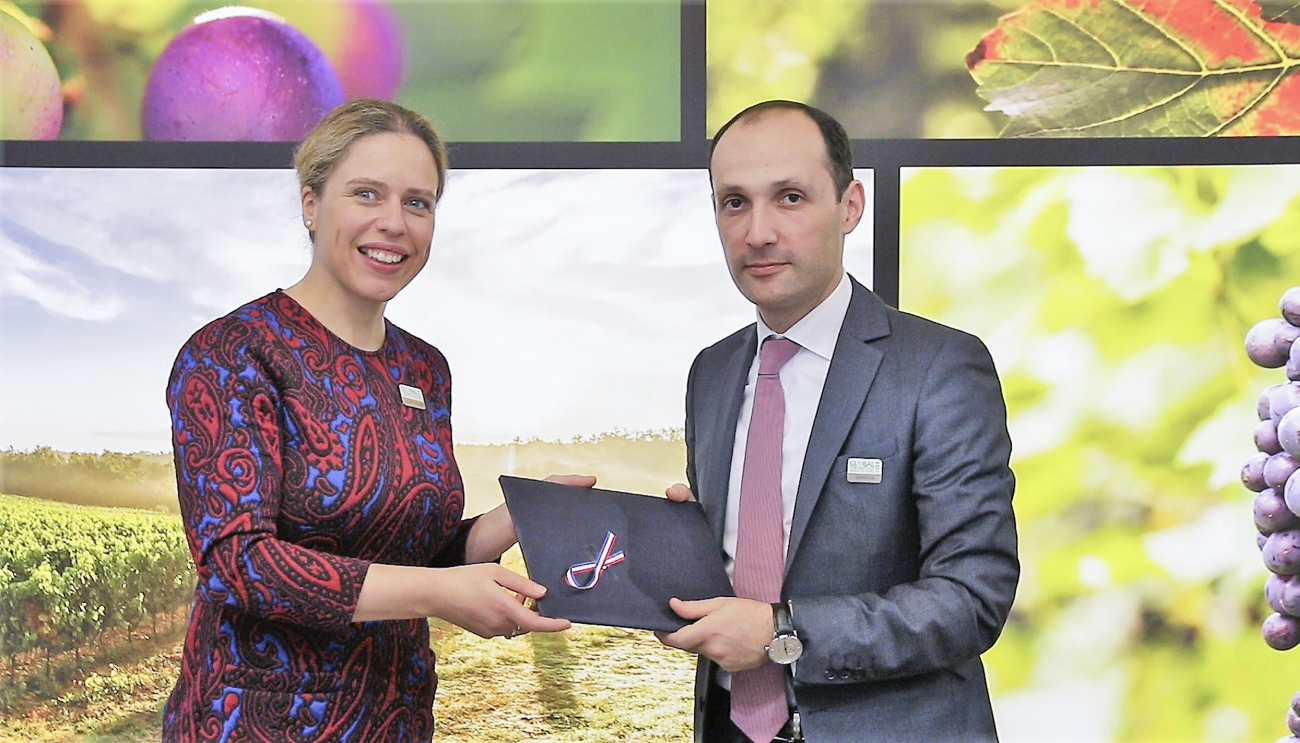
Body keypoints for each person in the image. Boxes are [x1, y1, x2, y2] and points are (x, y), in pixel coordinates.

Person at [162, 98, 585, 742]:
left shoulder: (424, 368)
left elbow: (414, 555)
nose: (394, 222)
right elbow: (237, 563)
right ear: (310, 204)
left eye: (418, 203)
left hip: (394, 717)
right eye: (367, 194)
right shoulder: (233, 351)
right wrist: (440, 596)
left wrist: (517, 517)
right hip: (258, 723)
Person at [657, 100, 1019, 742]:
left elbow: (971, 597)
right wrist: (679, 557)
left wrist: (782, 632)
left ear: (850, 206)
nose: (758, 232)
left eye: (790, 197)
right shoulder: (711, 373)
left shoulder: (938, 367)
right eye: (734, 203)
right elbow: (748, 564)